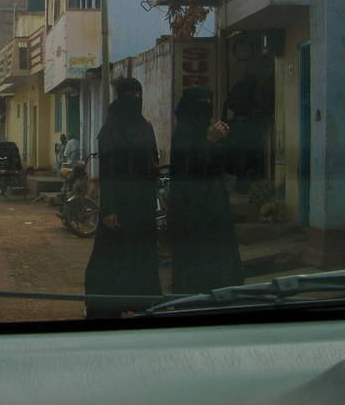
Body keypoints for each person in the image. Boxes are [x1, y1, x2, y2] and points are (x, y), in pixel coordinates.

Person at [84, 77, 161, 318]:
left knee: (141, 256)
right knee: (111, 258)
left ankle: (141, 306)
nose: (135, 99)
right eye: (130, 95)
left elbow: (153, 160)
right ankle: (105, 309)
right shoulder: (111, 128)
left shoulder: (145, 125)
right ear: (120, 96)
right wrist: (109, 209)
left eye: (139, 95)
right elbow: (108, 172)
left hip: (143, 204)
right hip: (120, 205)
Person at [168, 85, 244, 294]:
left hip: (213, 202)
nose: (206, 107)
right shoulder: (183, 131)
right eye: (201, 103)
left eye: (209, 102)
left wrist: (223, 141)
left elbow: (224, 165)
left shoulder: (206, 128)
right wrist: (209, 142)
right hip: (191, 206)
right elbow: (189, 168)